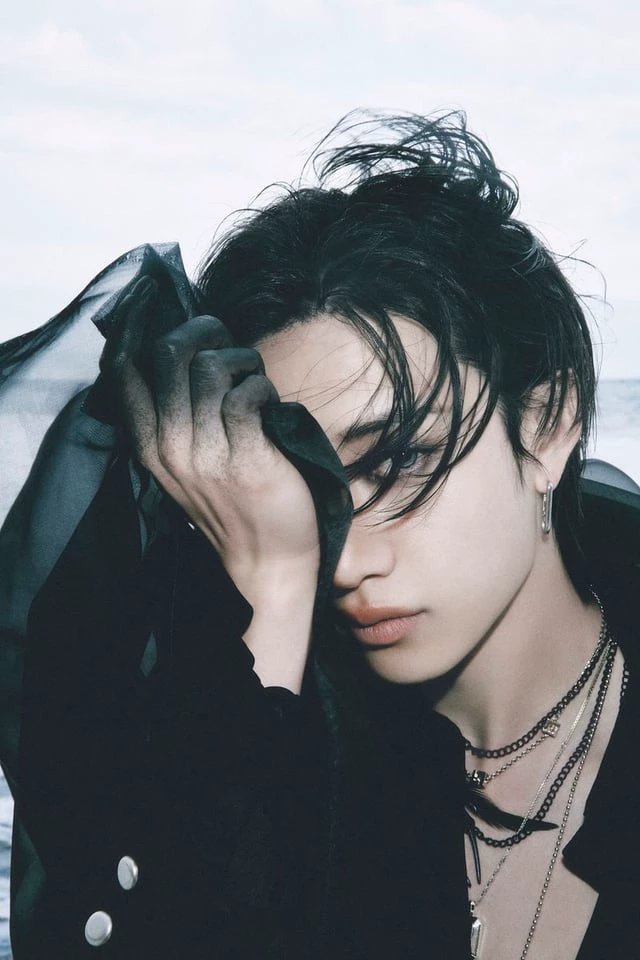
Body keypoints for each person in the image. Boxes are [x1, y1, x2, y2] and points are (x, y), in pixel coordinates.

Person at [1, 111, 639, 959]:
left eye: (403, 460)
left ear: (547, 426)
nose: (351, 559)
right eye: (308, 487)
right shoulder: (261, 744)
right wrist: (271, 579)